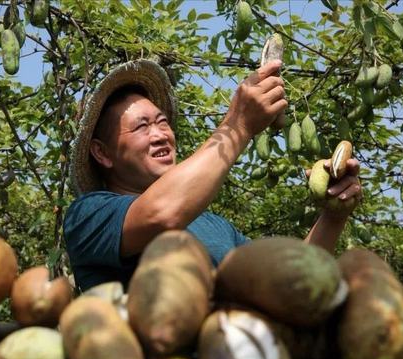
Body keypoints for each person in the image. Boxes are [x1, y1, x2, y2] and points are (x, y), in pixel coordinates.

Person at [64, 59, 362, 292]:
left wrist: (333, 214)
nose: (160, 135)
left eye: (162, 122)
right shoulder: (89, 215)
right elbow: (161, 214)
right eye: (142, 127)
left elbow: (290, 281)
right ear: (102, 153)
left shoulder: (214, 226)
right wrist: (238, 125)